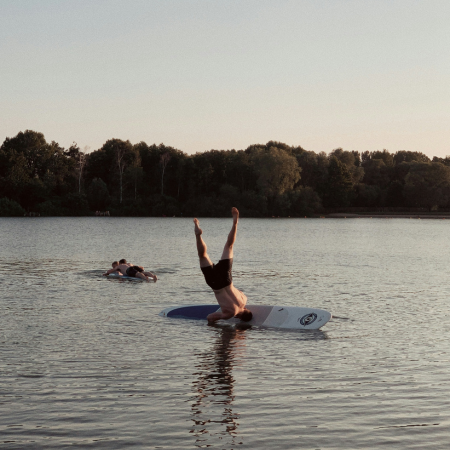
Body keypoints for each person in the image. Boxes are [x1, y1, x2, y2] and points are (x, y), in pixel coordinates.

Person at [194, 207, 252, 323]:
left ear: (246, 309)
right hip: (215, 284)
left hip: (227, 280)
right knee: (202, 255)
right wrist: (218, 318)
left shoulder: (244, 299)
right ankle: (198, 236)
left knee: (229, 246)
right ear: (239, 317)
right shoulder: (230, 314)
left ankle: (235, 223)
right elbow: (210, 317)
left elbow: (238, 291)